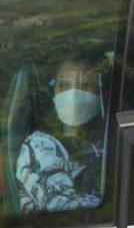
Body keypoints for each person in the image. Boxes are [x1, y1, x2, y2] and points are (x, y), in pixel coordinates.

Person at [15, 54, 107, 213]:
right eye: (64, 86)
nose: (74, 95)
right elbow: (65, 207)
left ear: (99, 91)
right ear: (54, 91)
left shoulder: (108, 139)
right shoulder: (39, 146)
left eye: (85, 84)